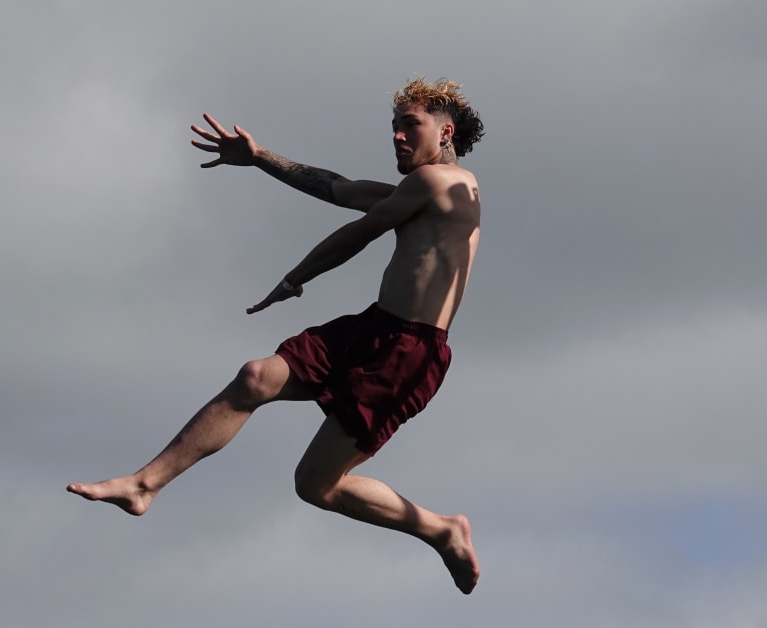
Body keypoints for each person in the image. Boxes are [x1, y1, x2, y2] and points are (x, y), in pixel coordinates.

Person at [69, 77, 485, 594]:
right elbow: (340, 189)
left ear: (445, 132)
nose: (398, 137)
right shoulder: (419, 191)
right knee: (255, 378)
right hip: (374, 326)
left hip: (408, 353)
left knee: (313, 485)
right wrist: (260, 156)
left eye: (410, 125)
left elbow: (361, 230)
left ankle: (442, 530)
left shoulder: (444, 184)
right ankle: (143, 483)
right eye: (394, 127)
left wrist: (295, 278)